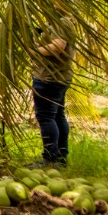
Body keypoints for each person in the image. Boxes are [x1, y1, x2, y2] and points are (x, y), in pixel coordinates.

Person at [32, 17, 76, 166]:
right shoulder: (62, 21)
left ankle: (50, 159)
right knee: (57, 116)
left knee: (46, 117)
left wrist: (33, 50)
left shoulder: (61, 21)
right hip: (58, 76)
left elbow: (58, 46)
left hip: (50, 77)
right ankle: (60, 157)